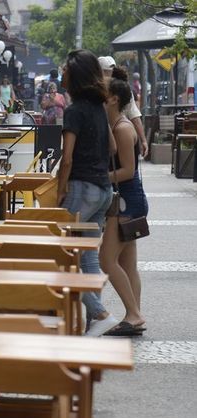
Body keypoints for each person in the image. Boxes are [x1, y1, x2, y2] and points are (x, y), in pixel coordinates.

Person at [57, 49, 118, 336]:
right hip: (103, 191)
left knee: (59, 257)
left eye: (65, 70)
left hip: (82, 189)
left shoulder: (74, 111)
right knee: (87, 258)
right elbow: (113, 149)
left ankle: (100, 313)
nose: (62, 74)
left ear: (75, 76)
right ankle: (96, 321)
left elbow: (66, 158)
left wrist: (60, 193)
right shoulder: (98, 107)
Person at [100, 67, 148, 336]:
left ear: (114, 98)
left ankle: (134, 314)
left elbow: (127, 171)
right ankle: (135, 315)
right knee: (128, 264)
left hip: (126, 201)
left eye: (103, 90)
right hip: (130, 201)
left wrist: (99, 178)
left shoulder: (122, 128)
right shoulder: (116, 126)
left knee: (106, 260)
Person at [99, 56, 148, 158]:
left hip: (120, 137)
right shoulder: (98, 89)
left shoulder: (122, 90)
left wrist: (143, 140)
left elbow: (135, 116)